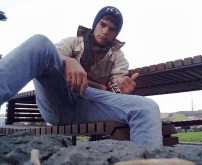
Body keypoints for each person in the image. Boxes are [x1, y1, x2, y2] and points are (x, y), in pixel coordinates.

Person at [0, 6, 162, 146]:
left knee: (147, 107)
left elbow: (116, 82)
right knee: (40, 43)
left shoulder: (118, 56)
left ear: (116, 33)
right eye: (102, 24)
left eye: (112, 29)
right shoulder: (74, 42)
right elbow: (50, 56)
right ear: (95, 24)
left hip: (89, 106)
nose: (105, 31)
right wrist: (67, 60)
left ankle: (146, 159)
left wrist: (123, 89)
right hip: (58, 98)